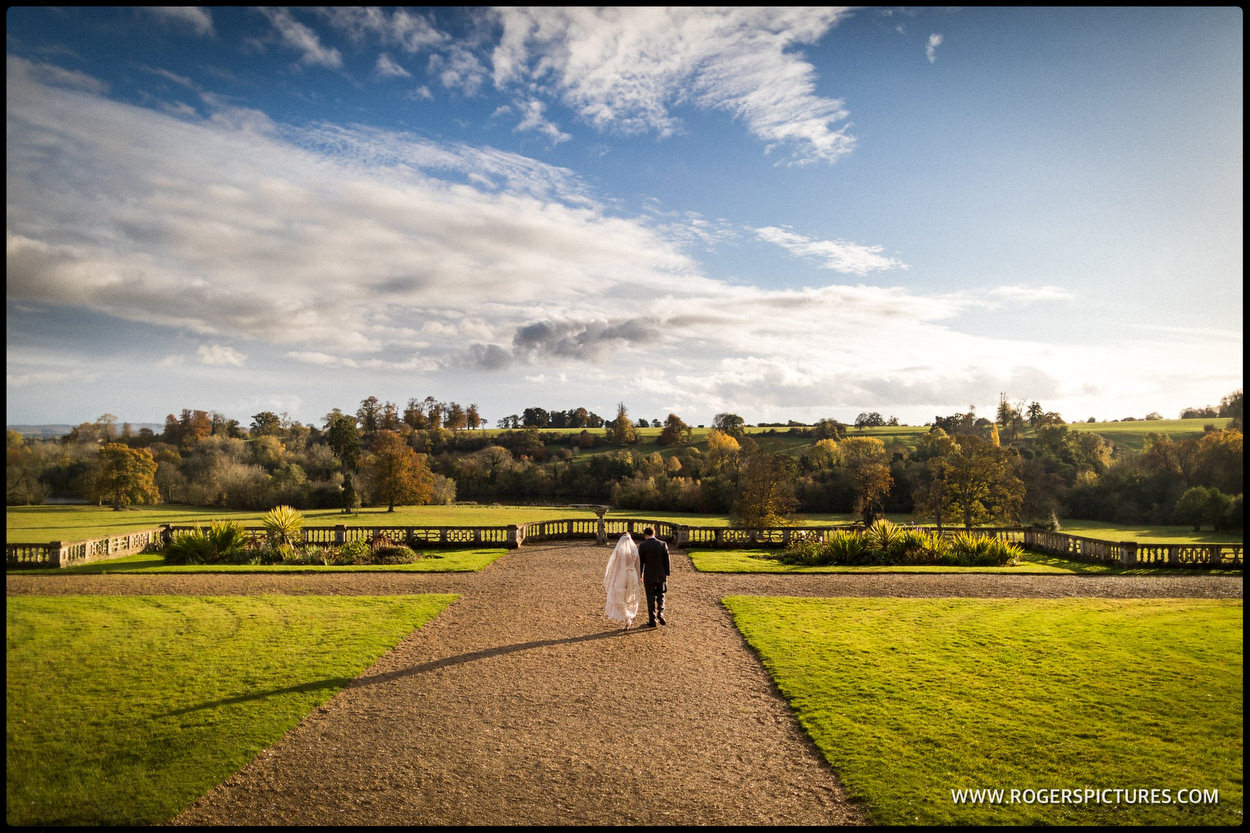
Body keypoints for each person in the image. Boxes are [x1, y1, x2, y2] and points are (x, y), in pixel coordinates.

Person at [603, 532, 641, 630]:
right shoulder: (634, 550)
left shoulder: (620, 551)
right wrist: (638, 577)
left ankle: (626, 617)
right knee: (630, 596)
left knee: (621, 596)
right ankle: (628, 617)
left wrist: (613, 578)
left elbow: (615, 566)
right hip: (632, 574)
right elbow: (638, 565)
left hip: (622, 574)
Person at [637, 527, 670, 627]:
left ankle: (652, 620)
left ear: (645, 535)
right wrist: (667, 573)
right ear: (654, 533)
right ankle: (661, 612)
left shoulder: (643, 546)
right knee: (661, 594)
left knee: (650, 597)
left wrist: (640, 575)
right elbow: (667, 560)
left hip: (649, 575)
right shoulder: (662, 544)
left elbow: (640, 562)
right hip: (661, 574)